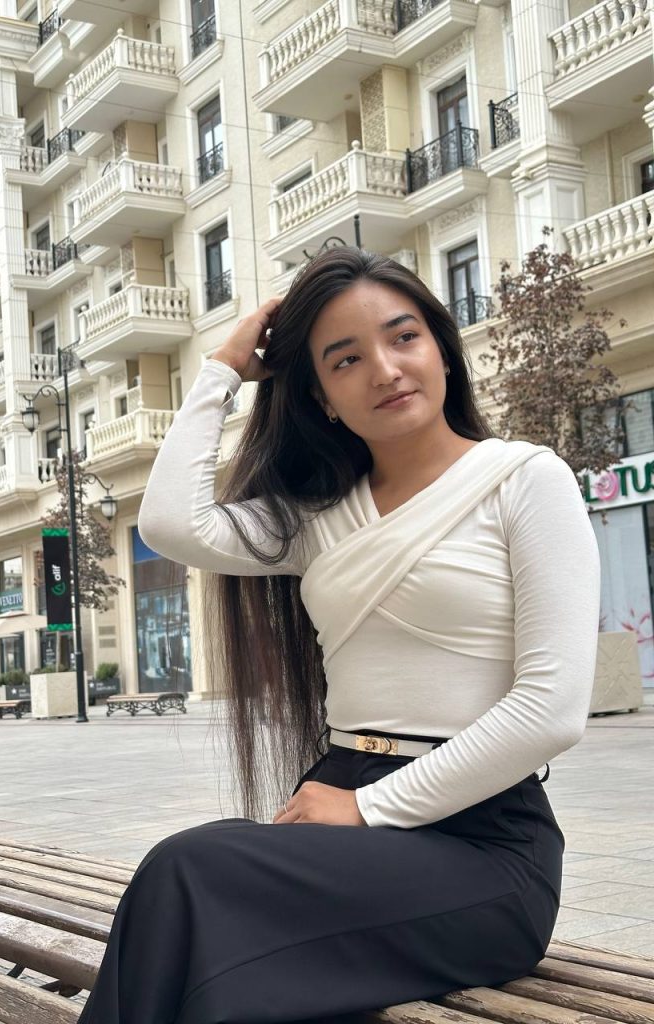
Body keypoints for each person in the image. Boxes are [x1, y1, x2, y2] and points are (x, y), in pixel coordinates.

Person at [77, 247, 600, 1024]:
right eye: (346, 359)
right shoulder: (317, 516)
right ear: (320, 396)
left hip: (484, 849)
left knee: (189, 871)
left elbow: (552, 711)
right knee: (204, 937)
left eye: (404, 337)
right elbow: (171, 525)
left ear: (442, 350)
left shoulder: (524, 480)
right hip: (343, 802)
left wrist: (368, 808)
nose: (385, 370)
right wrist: (223, 369)